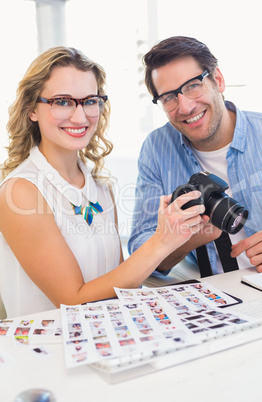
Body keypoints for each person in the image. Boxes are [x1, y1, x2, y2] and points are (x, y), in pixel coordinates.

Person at [0, 46, 205, 318]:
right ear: (31, 110)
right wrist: (162, 241)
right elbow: (72, 301)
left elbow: (122, 285)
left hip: (108, 344)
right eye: (62, 101)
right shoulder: (20, 192)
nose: (80, 116)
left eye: (89, 100)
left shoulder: (101, 186)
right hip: (49, 353)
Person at [128, 35, 262, 277]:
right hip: (208, 300)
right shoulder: (156, 148)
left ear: (218, 80)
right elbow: (142, 254)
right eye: (169, 97)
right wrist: (183, 240)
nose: (185, 107)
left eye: (193, 85)